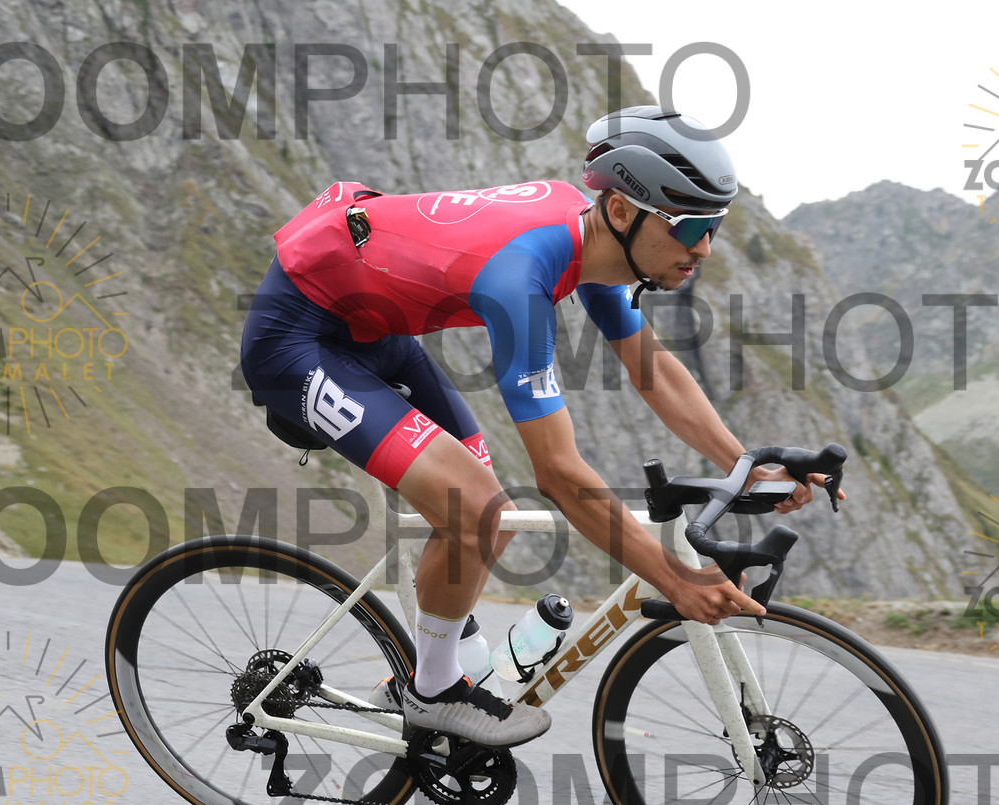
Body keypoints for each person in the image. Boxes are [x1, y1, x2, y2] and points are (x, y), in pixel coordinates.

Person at [240, 105, 842, 748]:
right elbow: (557, 473)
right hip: (295, 340)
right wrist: (675, 580)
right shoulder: (522, 278)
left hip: (373, 329)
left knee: (480, 508)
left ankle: (430, 662)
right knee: (475, 509)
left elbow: (654, 373)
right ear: (621, 211)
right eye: (690, 225)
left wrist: (744, 466)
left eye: (714, 225)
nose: (704, 248)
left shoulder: (596, 244)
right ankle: (431, 692)